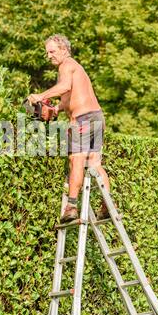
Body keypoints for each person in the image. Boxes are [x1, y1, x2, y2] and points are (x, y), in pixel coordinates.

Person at [28, 34, 110, 223]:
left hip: (83, 119)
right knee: (95, 163)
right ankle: (106, 205)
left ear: (64, 50)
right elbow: (67, 97)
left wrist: (40, 96)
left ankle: (71, 206)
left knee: (76, 159)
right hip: (97, 117)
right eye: (47, 52)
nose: (49, 56)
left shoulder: (66, 65)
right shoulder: (76, 67)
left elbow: (64, 86)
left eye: (52, 51)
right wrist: (55, 109)